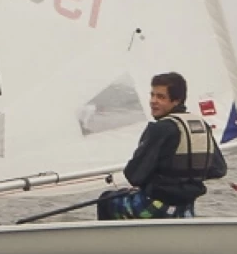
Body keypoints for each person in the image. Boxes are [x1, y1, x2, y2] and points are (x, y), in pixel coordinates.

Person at [96, 72, 227, 220]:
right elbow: (219, 169)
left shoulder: (160, 129)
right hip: (186, 208)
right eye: (152, 95)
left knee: (106, 200)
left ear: (176, 100)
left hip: (155, 207)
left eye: (161, 97)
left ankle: (113, 243)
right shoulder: (201, 125)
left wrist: (159, 183)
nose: (153, 101)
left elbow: (134, 175)